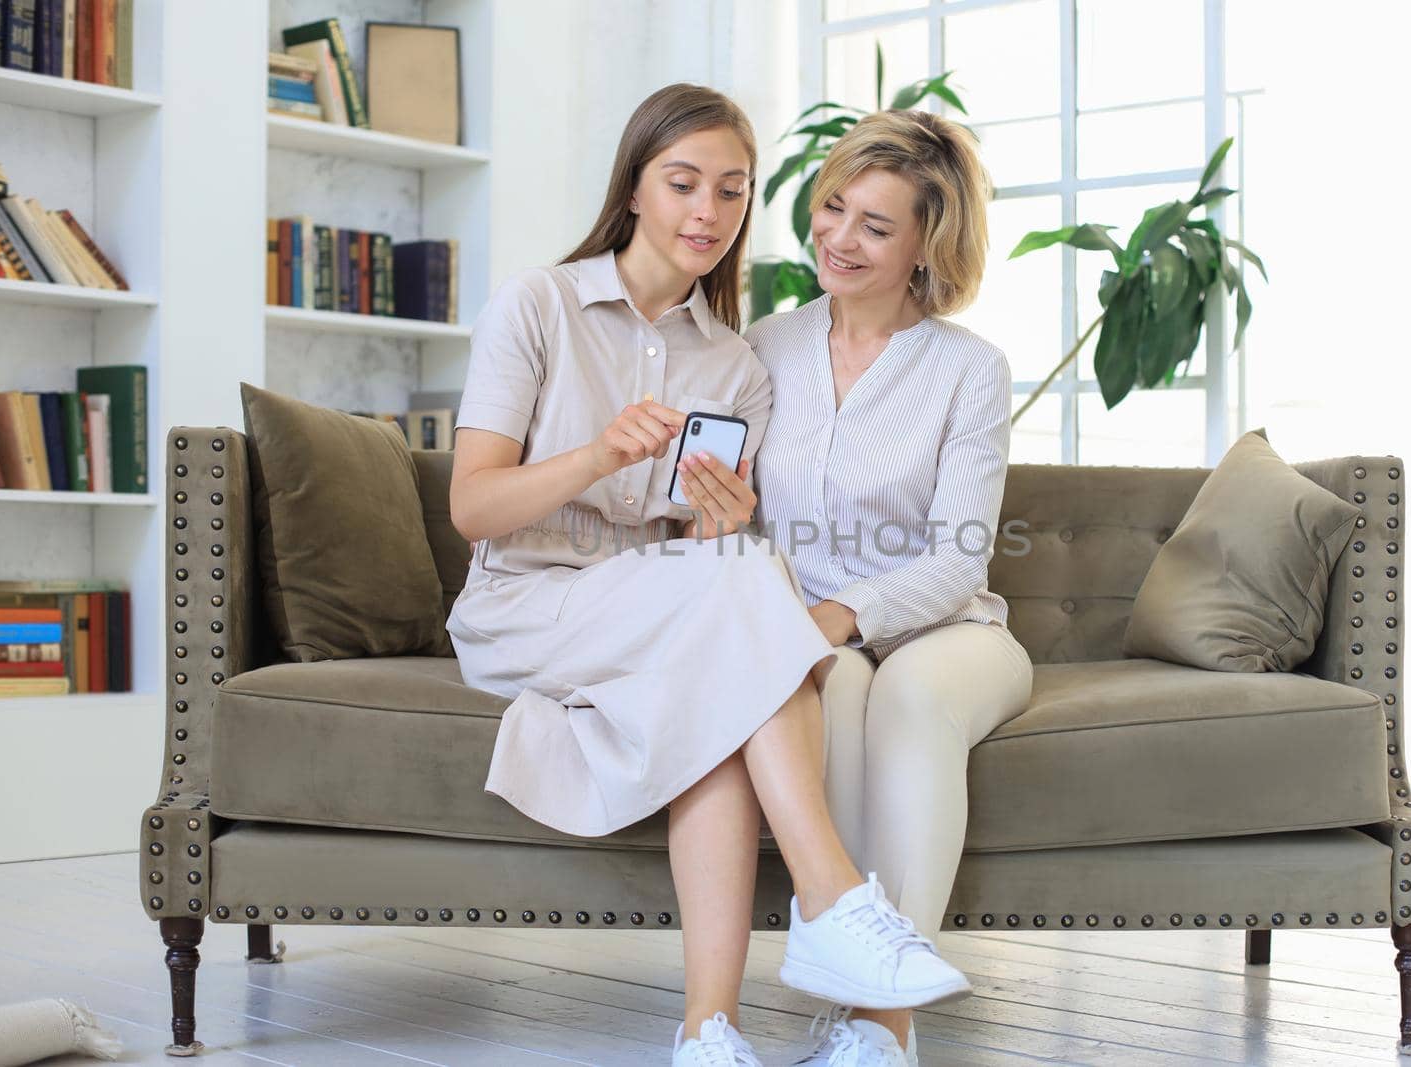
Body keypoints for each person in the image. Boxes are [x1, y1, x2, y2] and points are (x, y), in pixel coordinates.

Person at [444, 84, 972, 1067]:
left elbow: (697, 548)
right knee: (743, 593)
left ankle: (707, 1031)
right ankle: (831, 902)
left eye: (731, 191)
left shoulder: (733, 366)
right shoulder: (541, 304)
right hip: (524, 604)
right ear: (634, 189)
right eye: (683, 183)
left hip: (649, 611)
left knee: (732, 640)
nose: (707, 212)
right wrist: (598, 457)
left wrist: (719, 518)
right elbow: (471, 508)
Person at [749, 109, 1035, 1067]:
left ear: (926, 245)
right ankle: (861, 993)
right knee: (831, 688)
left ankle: (882, 1029)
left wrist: (843, 613)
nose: (839, 238)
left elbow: (958, 558)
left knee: (906, 695)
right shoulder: (765, 348)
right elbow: (731, 512)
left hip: (950, 632)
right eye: (834, 208)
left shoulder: (969, 370)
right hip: (815, 633)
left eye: (876, 226)